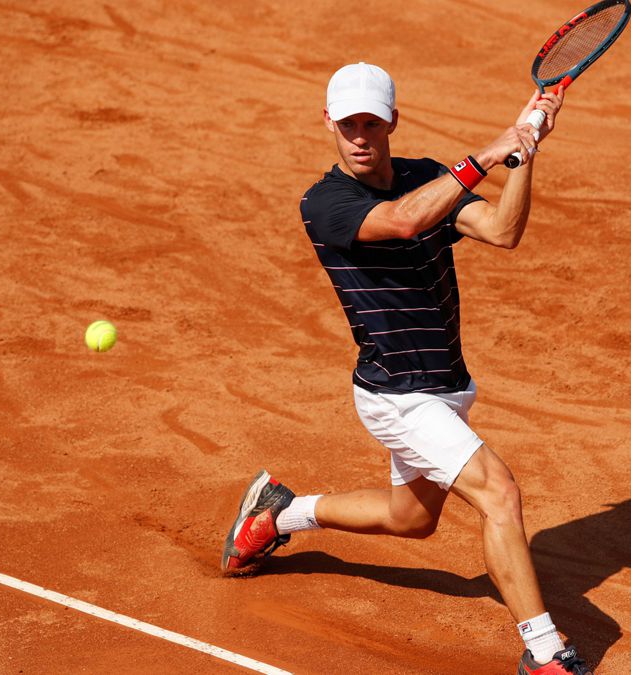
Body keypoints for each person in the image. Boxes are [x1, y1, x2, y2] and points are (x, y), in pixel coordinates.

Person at [221, 62, 591, 675]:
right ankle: (546, 651)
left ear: (393, 120)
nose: (360, 136)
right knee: (499, 493)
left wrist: (524, 152)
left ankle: (276, 512)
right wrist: (488, 152)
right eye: (348, 125)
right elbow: (403, 221)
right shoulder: (325, 203)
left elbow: (502, 231)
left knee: (410, 519)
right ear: (329, 125)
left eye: (371, 122)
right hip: (396, 393)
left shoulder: (426, 177)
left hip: (447, 385)